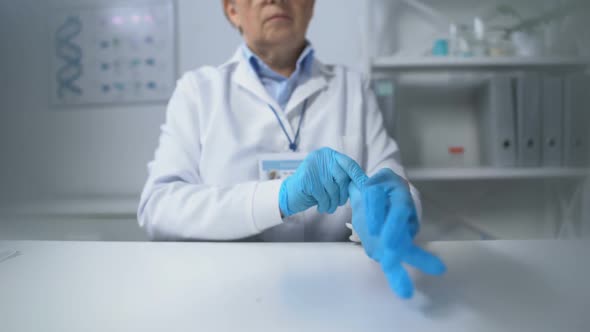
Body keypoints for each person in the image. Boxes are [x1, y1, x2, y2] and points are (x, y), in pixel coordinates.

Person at [138, 0, 444, 298]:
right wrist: (279, 196)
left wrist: (395, 206)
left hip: (342, 291)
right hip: (228, 293)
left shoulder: (353, 87)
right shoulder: (198, 91)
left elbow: (388, 178)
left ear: (310, 5)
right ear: (232, 10)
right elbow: (159, 207)